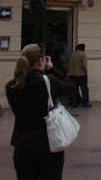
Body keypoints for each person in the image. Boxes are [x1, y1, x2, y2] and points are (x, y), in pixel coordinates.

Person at [5, 44, 76, 179]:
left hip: (23, 146)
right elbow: (71, 86)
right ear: (41, 61)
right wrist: (53, 69)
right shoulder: (47, 81)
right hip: (48, 145)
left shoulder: (11, 86)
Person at [68, 43, 91, 107]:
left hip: (72, 74)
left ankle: (75, 103)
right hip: (81, 75)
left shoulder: (72, 54)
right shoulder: (83, 54)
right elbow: (84, 65)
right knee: (84, 89)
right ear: (83, 48)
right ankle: (85, 103)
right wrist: (86, 73)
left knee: (74, 90)